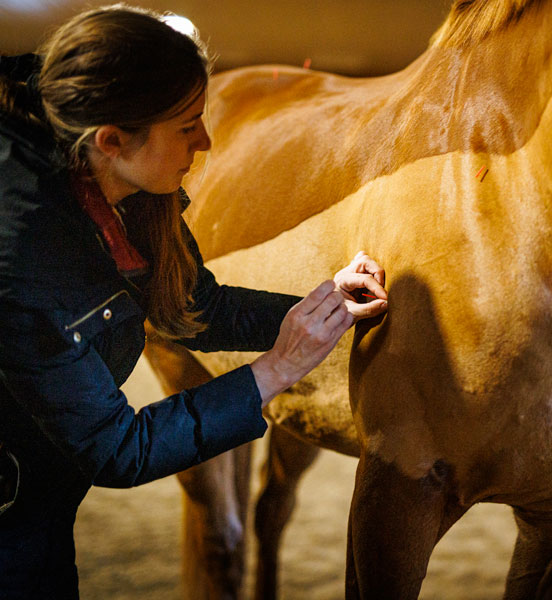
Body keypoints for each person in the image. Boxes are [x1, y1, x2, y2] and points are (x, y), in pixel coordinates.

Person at [0, 5, 388, 598]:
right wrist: (276, 369)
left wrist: (318, 305)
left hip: (38, 499)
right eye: (188, 126)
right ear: (112, 140)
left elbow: (192, 305)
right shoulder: (25, 261)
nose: (206, 141)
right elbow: (117, 449)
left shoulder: (117, 181)